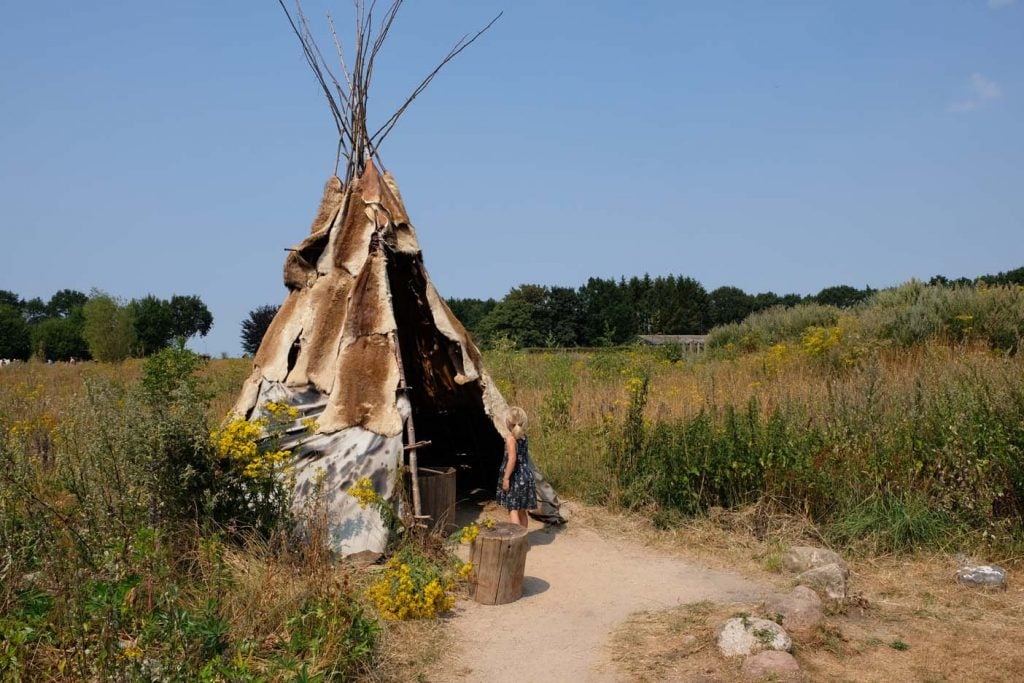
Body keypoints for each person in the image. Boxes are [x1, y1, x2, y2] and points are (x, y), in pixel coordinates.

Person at [496, 406, 537, 528]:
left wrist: (506, 478)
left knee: (513, 509)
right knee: (522, 510)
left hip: (515, 478)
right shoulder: (524, 437)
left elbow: (512, 459)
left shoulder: (511, 439)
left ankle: (517, 538)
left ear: (508, 423)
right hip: (526, 476)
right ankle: (523, 538)